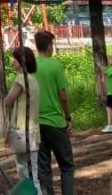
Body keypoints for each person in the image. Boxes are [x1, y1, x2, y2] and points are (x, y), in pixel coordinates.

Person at [34, 30, 74, 195]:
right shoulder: (55, 65)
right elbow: (63, 96)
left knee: (43, 168)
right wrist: (68, 117)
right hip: (56, 122)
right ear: (50, 46)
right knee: (66, 165)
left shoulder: (31, 67)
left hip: (37, 124)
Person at [4, 45, 43, 195]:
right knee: (32, 173)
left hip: (22, 133)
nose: (12, 61)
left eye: (14, 58)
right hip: (32, 132)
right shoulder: (33, 79)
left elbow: (8, 101)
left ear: (22, 61)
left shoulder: (22, 78)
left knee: (26, 176)